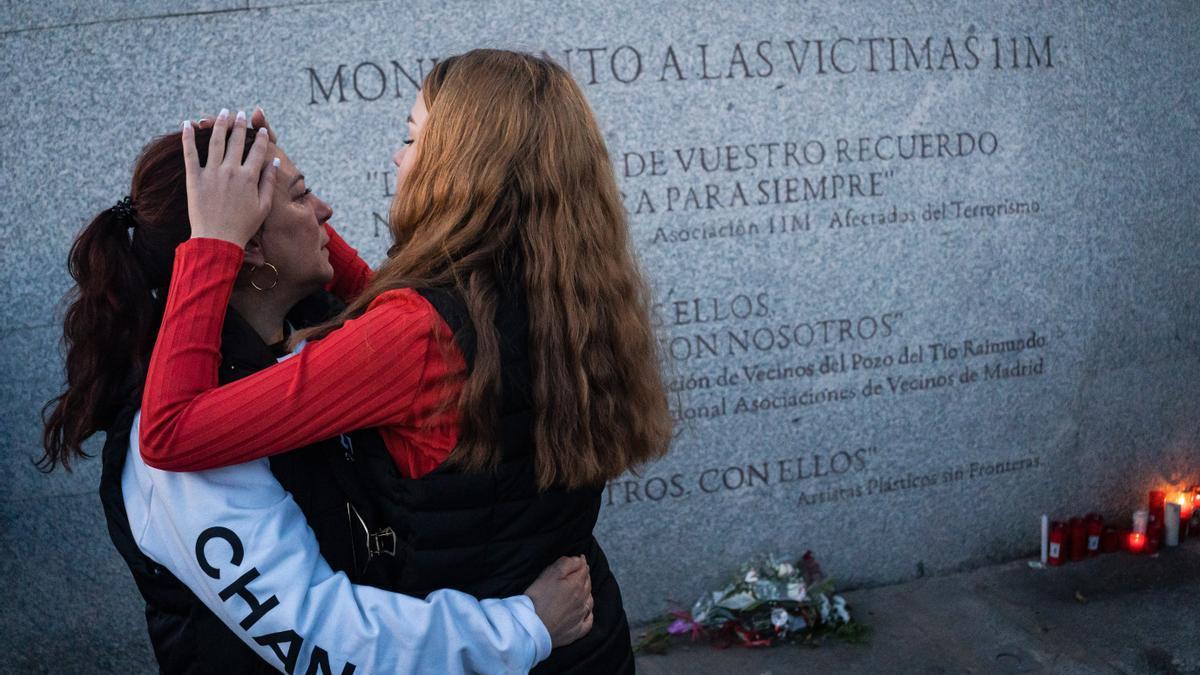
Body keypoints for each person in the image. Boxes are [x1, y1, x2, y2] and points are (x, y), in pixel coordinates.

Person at [138, 50, 673, 673]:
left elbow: (169, 432)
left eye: (413, 139)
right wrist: (288, 199)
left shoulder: (415, 334)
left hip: (487, 650)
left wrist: (214, 241)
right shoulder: (561, 289)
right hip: (586, 635)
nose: (398, 157)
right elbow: (382, 304)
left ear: (460, 167)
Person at [40, 121, 593, 674]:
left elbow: (378, 303)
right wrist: (521, 628)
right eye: (303, 196)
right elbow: (323, 641)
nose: (326, 210)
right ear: (249, 246)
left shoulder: (310, 333)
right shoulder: (181, 463)